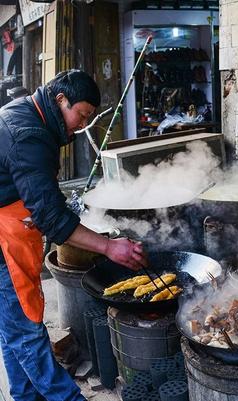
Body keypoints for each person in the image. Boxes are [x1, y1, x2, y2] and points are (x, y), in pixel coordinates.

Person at [0, 70, 147, 401]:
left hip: (9, 222)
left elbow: (38, 191)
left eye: (87, 118)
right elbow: (52, 220)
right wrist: (109, 247)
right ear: (60, 100)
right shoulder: (28, 134)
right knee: (25, 331)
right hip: (2, 238)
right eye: (80, 115)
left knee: (12, 330)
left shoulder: (30, 113)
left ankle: (25, 396)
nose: (81, 125)